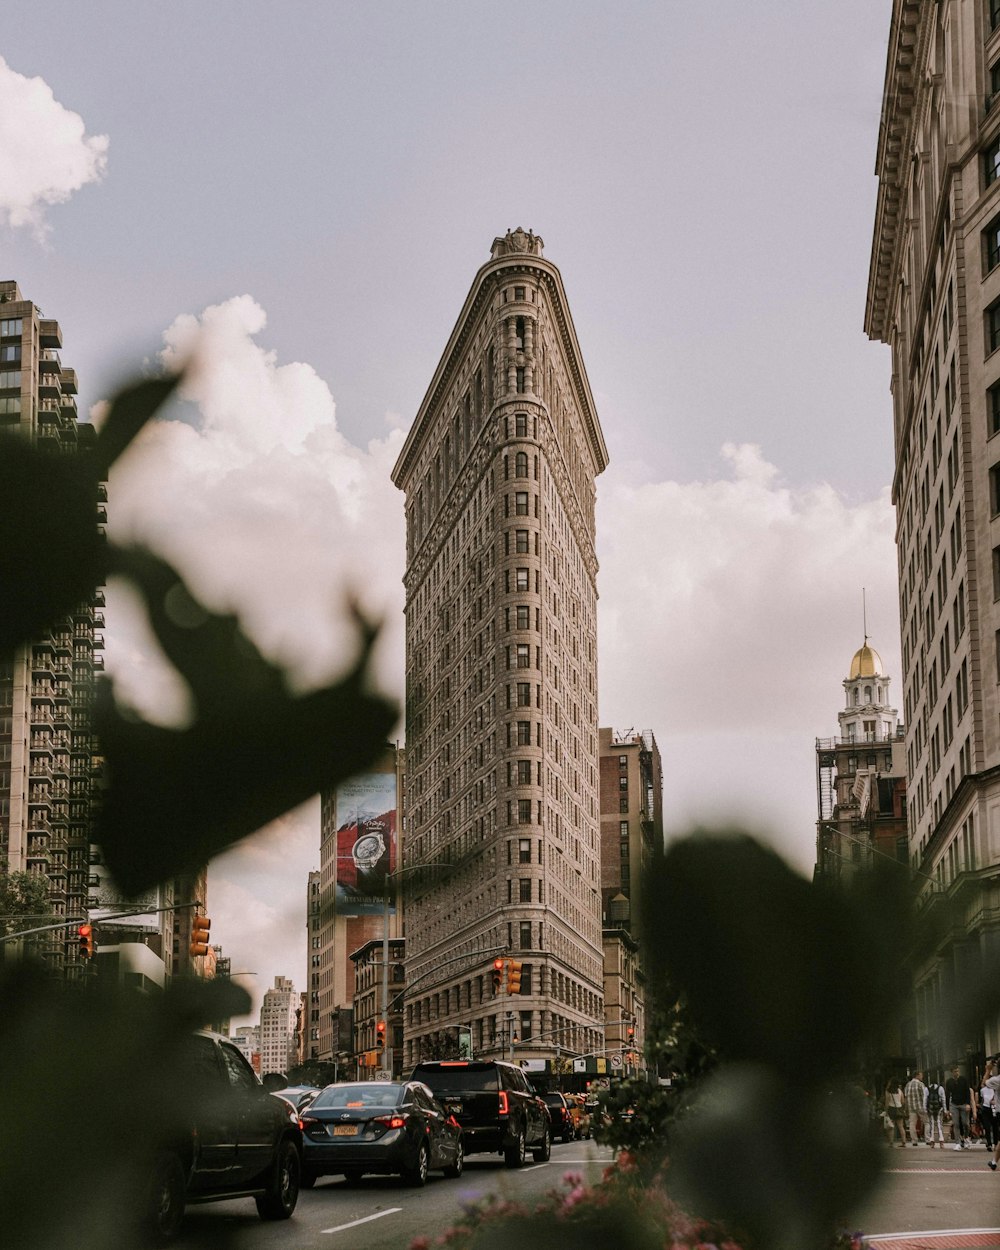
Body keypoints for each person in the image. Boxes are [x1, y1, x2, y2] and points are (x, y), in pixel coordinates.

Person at [945, 1064, 975, 1149]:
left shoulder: (963, 1080)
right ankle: (957, 1142)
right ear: (952, 1072)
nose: (957, 1073)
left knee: (965, 1123)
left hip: (963, 1104)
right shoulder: (949, 1082)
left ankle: (966, 1138)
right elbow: (947, 1095)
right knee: (956, 1123)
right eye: (955, 1071)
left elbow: (967, 1092)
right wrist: (947, 1108)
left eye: (958, 1071)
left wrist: (968, 1104)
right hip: (954, 1104)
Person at [904, 1070, 928, 1146]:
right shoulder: (921, 1084)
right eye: (921, 1075)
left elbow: (906, 1097)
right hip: (921, 1106)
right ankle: (927, 1139)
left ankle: (914, 1141)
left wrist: (906, 1108)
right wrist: (926, 1106)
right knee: (927, 1122)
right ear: (917, 1075)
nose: (922, 1077)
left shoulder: (908, 1084)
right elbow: (924, 1096)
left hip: (911, 1107)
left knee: (912, 1124)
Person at [925, 1075, 947, 1148]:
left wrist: (925, 1109)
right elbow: (943, 1099)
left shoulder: (926, 1089)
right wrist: (945, 1109)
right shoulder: (940, 1088)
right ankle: (941, 1141)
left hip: (930, 1109)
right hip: (939, 1108)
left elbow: (925, 1099)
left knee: (932, 1125)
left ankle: (932, 1141)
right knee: (939, 1124)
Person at [884, 1078, 907, 1147]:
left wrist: (886, 1111)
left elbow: (887, 1102)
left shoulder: (888, 1091)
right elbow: (903, 1101)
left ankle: (891, 1143)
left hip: (891, 1109)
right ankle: (904, 1142)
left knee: (891, 1127)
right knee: (901, 1126)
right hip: (899, 1109)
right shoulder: (899, 1091)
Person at [980, 1063, 998, 1152]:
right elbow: (983, 1083)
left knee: (995, 1126)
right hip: (986, 1107)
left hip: (994, 1108)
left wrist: (988, 1070)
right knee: (987, 1127)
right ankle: (989, 1143)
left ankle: (996, 1143)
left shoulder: (995, 1084)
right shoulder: (983, 1089)